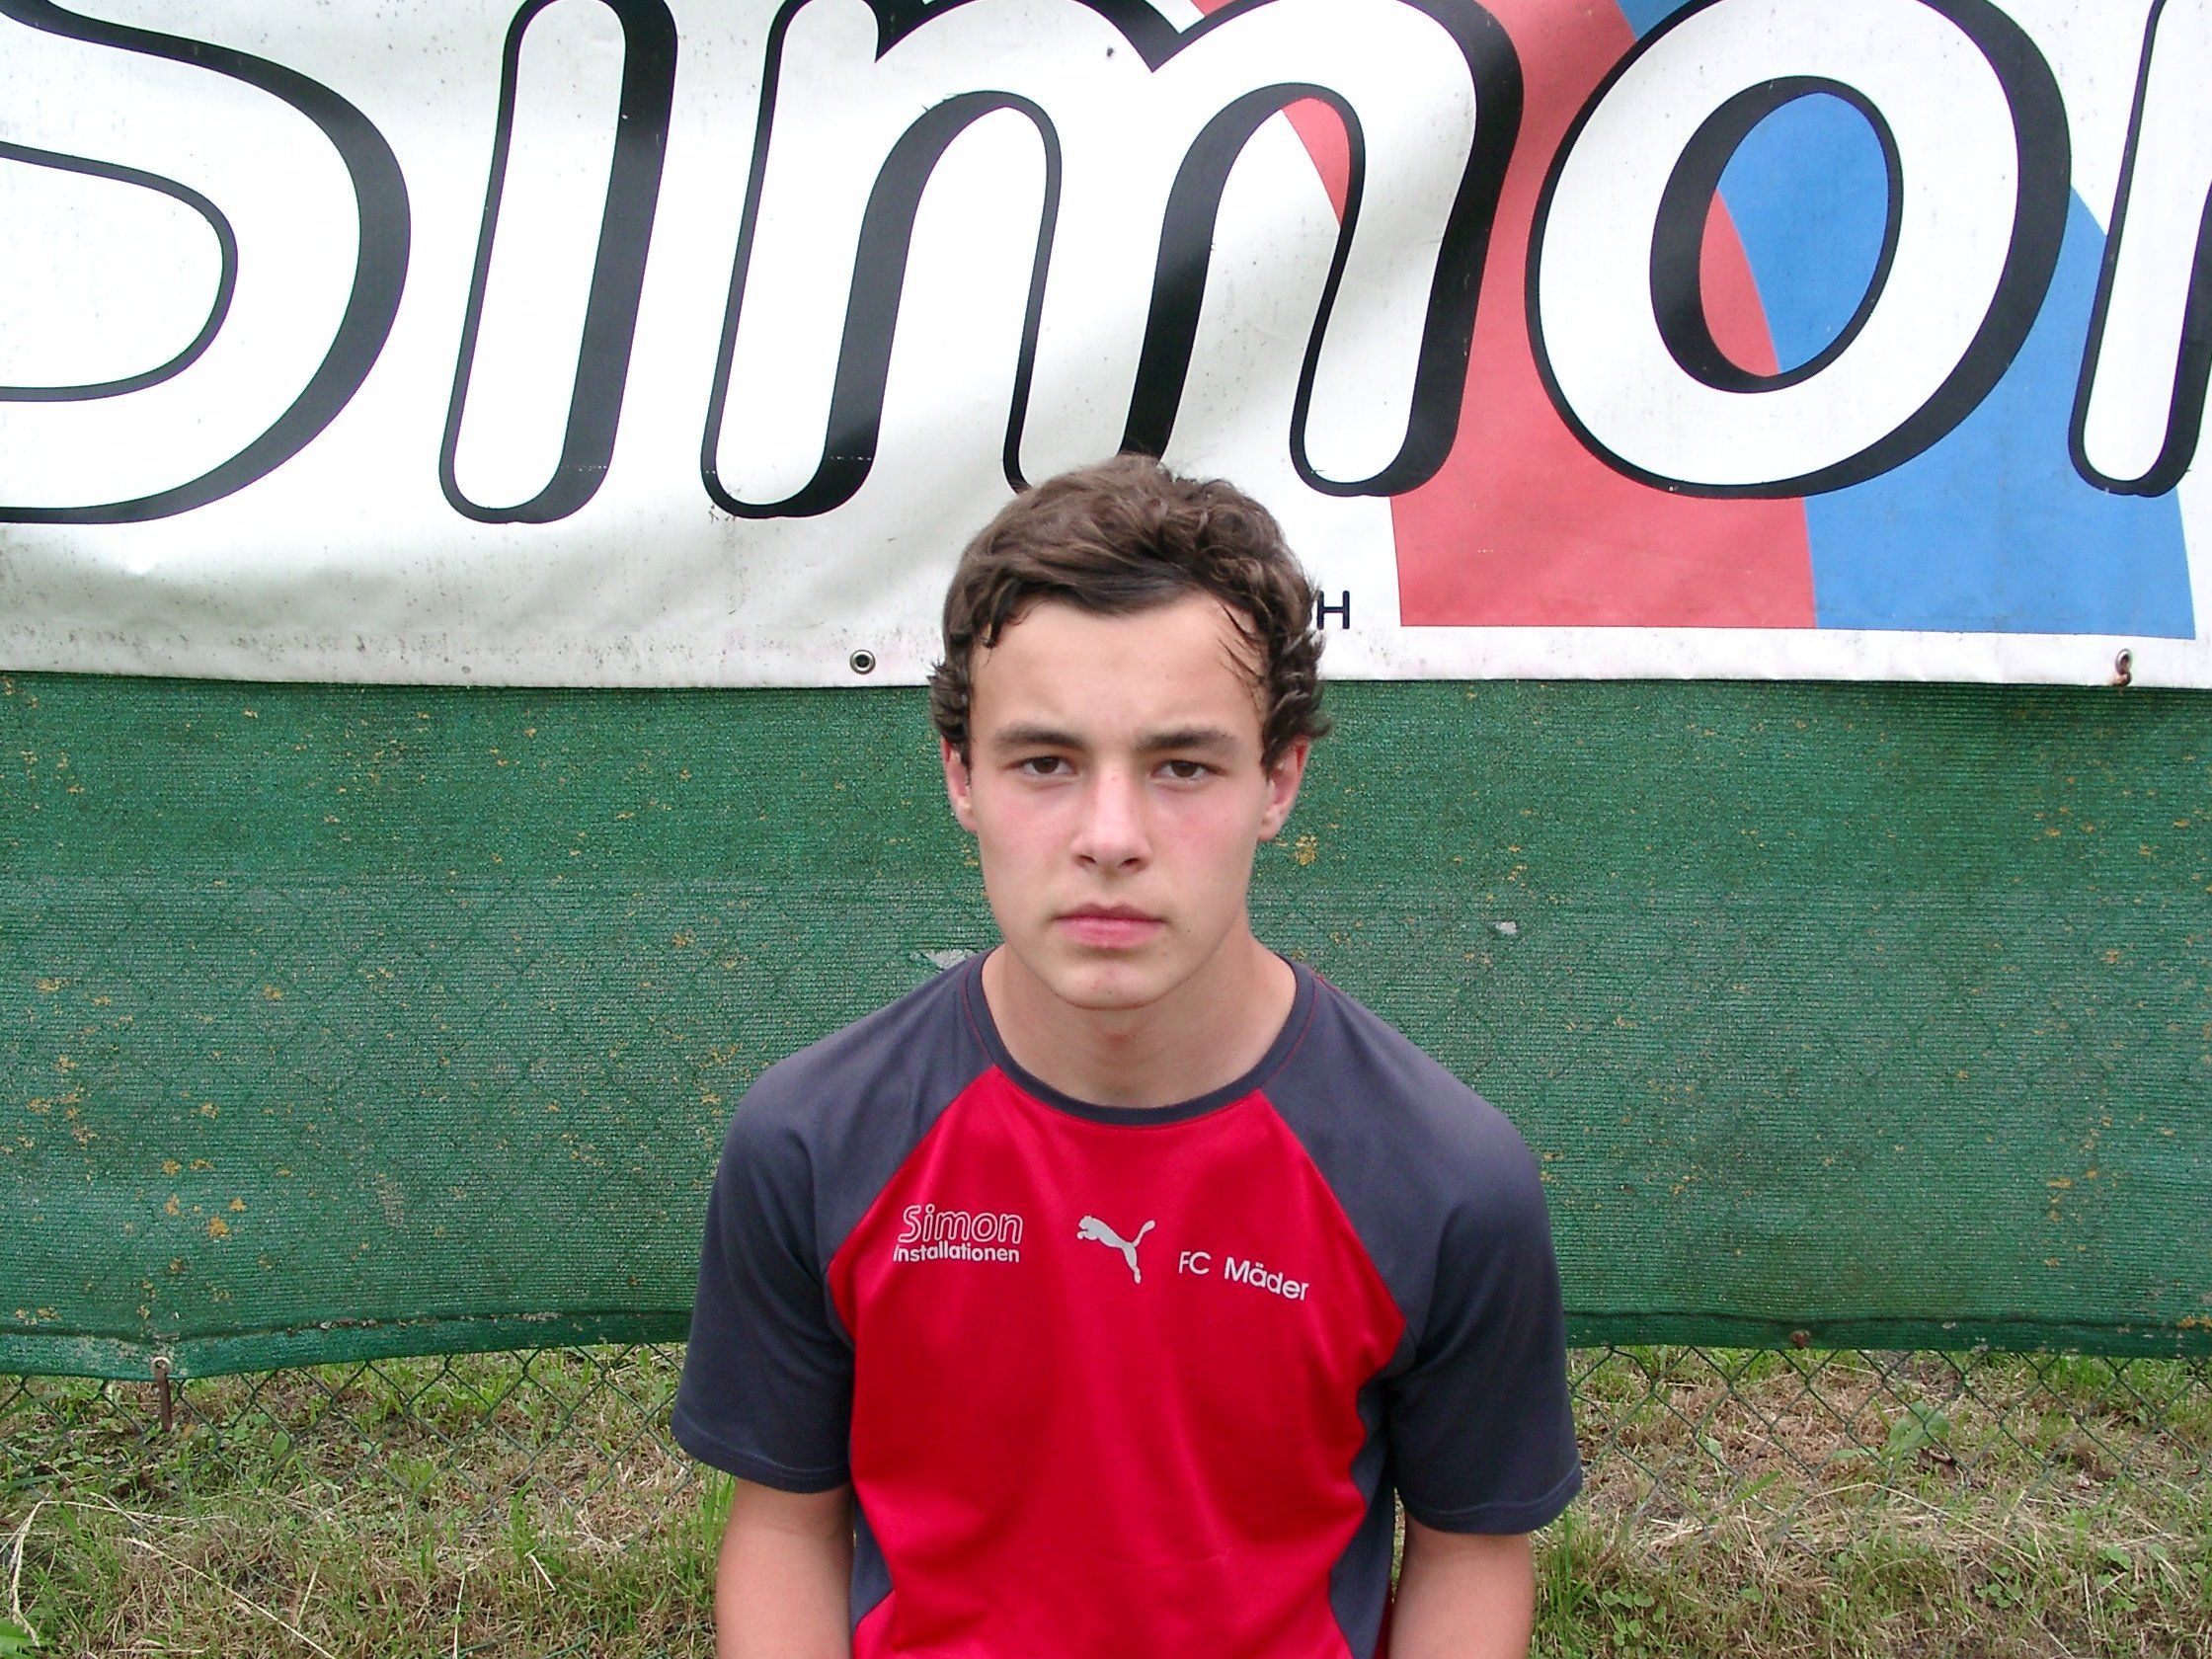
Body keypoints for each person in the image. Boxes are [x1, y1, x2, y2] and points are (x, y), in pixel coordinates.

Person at [672, 454, 1581, 1659]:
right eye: (1045, 763)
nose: (1110, 838)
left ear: (1279, 779)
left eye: (1181, 766)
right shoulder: (811, 1142)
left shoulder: (1445, 1178)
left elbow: (1467, 1554)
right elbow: (788, 1529)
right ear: (960, 777)